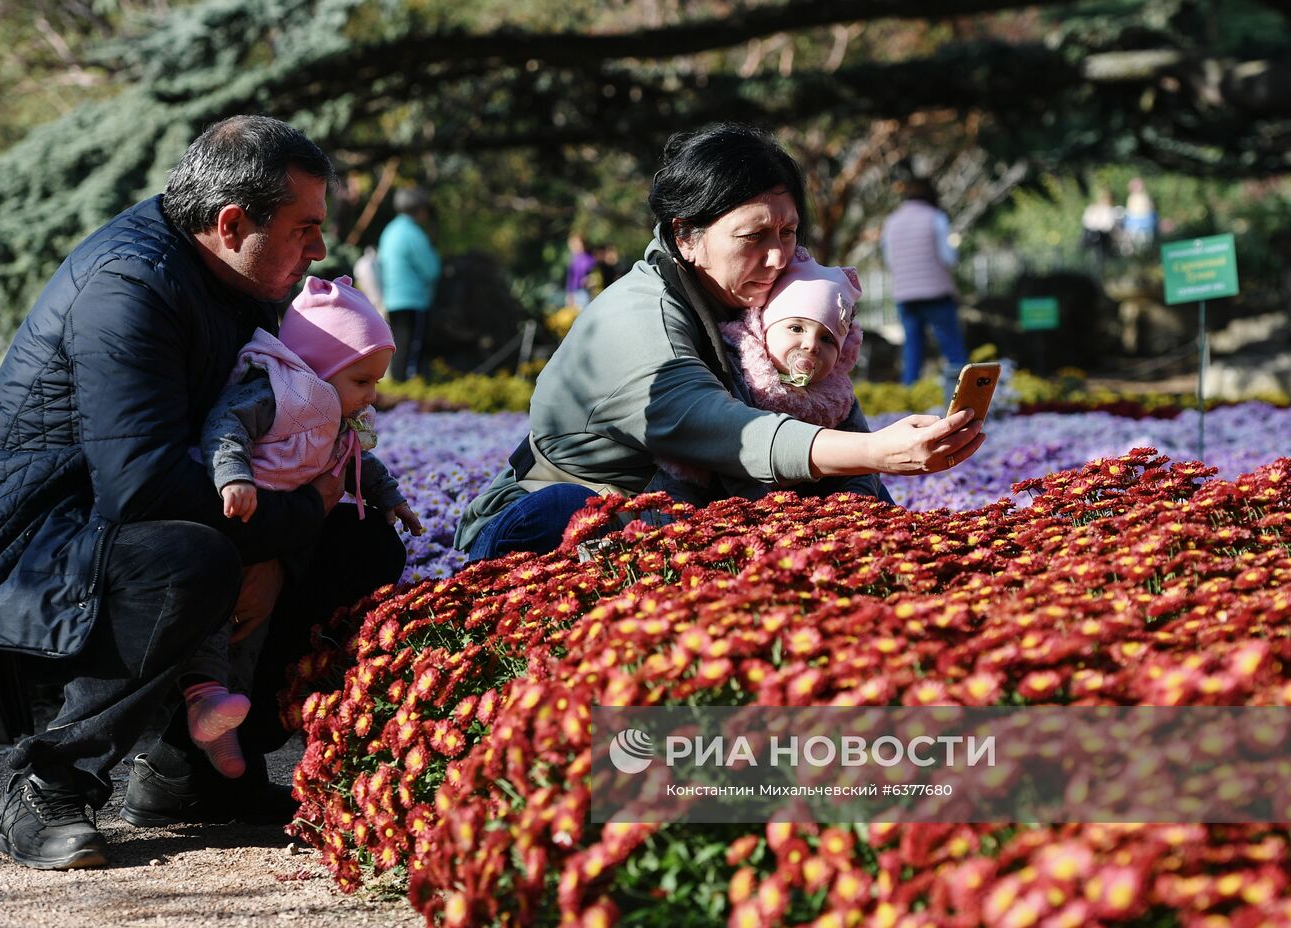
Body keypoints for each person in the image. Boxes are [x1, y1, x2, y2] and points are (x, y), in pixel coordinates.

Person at [0, 115, 408, 871]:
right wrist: (280, 533)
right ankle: (50, 782)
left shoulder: (235, 278)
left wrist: (288, 534)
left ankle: (189, 772)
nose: (320, 251)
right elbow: (139, 487)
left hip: (129, 525)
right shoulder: (129, 286)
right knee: (192, 557)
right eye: (305, 228)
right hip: (28, 548)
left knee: (361, 542)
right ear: (233, 223)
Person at [455, 124, 984, 561]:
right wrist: (873, 450)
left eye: (789, 232)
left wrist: (893, 531)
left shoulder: (763, 299)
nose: (778, 258)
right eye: (754, 237)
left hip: (676, 525)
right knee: (568, 513)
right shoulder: (638, 315)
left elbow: (824, 410)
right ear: (686, 235)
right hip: (549, 519)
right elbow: (722, 428)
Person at [186, 274, 422, 780]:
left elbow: (358, 461)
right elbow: (224, 426)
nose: (373, 395)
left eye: (377, 381)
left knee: (251, 637)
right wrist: (233, 477)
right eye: (362, 381)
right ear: (317, 368)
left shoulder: (335, 412)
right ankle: (203, 703)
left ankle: (226, 737)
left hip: (280, 538)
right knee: (219, 620)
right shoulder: (276, 394)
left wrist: (390, 498)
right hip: (237, 524)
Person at [658, 255, 884, 503]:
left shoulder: (837, 396)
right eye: (796, 328)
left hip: (809, 513)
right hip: (726, 501)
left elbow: (863, 463)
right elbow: (723, 446)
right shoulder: (735, 368)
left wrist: (853, 505)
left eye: (827, 339)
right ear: (764, 328)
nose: (811, 345)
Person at [881, 178, 969, 388]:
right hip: (935, 293)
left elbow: (889, 260)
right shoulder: (935, 217)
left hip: (905, 295)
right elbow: (948, 257)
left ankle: (909, 398)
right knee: (952, 348)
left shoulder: (891, 222)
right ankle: (965, 395)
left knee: (912, 349)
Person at [377, 186, 441, 381]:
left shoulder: (390, 230)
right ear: (419, 209)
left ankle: (398, 387)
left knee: (399, 345)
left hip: (392, 297)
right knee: (412, 347)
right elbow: (432, 269)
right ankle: (407, 387)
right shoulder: (413, 233)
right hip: (413, 299)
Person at [1080, 187, 1119, 257]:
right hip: (1093, 233)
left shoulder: (1110, 210)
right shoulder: (1092, 208)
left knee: (1098, 236)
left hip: (1104, 236)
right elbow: (1086, 222)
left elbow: (1108, 225)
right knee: (1093, 234)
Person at [1123, 177, 1157, 253]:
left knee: (1145, 241)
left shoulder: (1145, 197)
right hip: (1135, 224)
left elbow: (1150, 210)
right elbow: (1130, 213)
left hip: (1145, 223)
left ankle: (1144, 255)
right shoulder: (1131, 198)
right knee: (1135, 241)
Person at [564, 233, 598, 309]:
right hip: (574, 294)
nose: (574, 247)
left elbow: (595, 277)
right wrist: (569, 294)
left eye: (576, 244)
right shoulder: (573, 259)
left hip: (584, 293)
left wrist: (590, 280)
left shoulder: (588, 259)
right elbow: (571, 279)